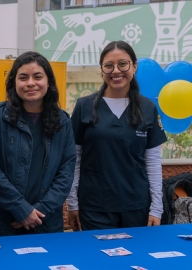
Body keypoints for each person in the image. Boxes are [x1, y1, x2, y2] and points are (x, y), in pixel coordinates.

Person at [0, 51, 76, 236]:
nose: (31, 83)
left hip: (45, 222)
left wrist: (38, 212)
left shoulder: (63, 121)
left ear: (48, 81)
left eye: (38, 77)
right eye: (23, 77)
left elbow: (65, 173)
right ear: (14, 83)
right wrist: (21, 209)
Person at [67, 41, 167, 231]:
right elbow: (74, 159)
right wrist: (72, 203)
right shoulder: (84, 106)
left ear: (134, 66)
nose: (116, 71)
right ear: (101, 69)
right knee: (98, 258)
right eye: (108, 65)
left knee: (138, 258)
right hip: (95, 207)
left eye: (123, 64)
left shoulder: (147, 108)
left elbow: (153, 162)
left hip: (137, 207)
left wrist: (156, 208)